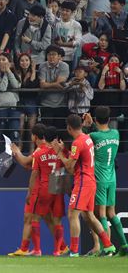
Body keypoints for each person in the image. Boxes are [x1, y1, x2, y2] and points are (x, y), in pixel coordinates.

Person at [54, 114, 116, 257]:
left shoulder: (77, 142)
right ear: (81, 125)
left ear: (69, 128)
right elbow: (78, 158)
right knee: (89, 216)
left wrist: (59, 153)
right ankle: (108, 246)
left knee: (72, 214)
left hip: (83, 182)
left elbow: (70, 167)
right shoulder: (87, 138)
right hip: (90, 181)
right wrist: (65, 151)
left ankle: (74, 251)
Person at [9, 124, 67, 257]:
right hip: (57, 186)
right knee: (51, 219)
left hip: (41, 188)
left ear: (35, 136)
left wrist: (17, 152)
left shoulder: (40, 152)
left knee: (31, 217)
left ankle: (30, 249)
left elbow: (27, 165)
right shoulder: (61, 151)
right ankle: (60, 248)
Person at [83, 108, 128, 256]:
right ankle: (124, 245)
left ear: (96, 119)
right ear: (109, 119)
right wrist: (94, 124)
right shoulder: (116, 133)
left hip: (100, 178)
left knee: (101, 214)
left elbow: (82, 139)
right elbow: (103, 135)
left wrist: (85, 124)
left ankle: (107, 248)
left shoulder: (93, 136)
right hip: (112, 178)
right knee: (112, 213)